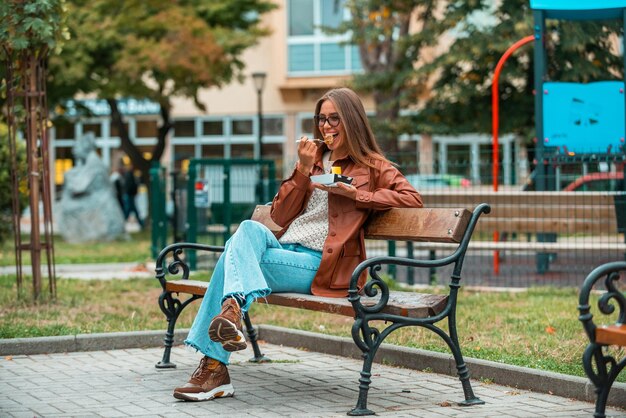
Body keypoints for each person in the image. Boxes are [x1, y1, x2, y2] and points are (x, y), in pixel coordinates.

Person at [173, 87, 423, 402]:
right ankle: (230, 315)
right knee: (248, 229)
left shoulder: (373, 166)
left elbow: (412, 199)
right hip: (284, 252)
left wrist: (356, 194)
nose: (327, 126)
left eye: (335, 119)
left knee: (230, 261)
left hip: (322, 265)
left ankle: (214, 365)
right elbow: (279, 215)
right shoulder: (314, 160)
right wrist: (303, 170)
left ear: (352, 121)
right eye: (321, 119)